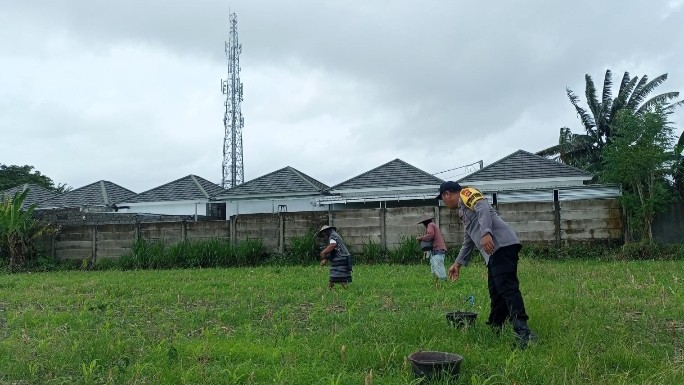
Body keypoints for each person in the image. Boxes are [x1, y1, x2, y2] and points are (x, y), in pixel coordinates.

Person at [437, 181, 538, 348]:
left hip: (502, 246)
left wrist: (486, 233)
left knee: (507, 288)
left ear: (447, 194)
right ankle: (496, 328)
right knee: (496, 292)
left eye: (442, 198)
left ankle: (523, 332)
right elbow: (468, 240)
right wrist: (457, 264)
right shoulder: (463, 210)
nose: (443, 202)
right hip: (494, 253)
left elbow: (482, 206)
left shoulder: (466, 193)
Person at [317, 225, 353, 289]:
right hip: (344, 257)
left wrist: (323, 252)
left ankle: (345, 289)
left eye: (324, 233)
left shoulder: (332, 236)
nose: (324, 235)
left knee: (338, 275)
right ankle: (330, 289)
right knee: (335, 275)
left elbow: (333, 245)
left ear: (327, 231)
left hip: (341, 258)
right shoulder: (335, 235)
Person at [416, 216, 447, 282]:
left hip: (438, 250)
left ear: (425, 223)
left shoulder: (430, 225)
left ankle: (443, 281)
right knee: (434, 266)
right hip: (437, 250)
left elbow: (430, 235)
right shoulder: (433, 225)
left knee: (438, 265)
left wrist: (421, 238)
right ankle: (436, 281)